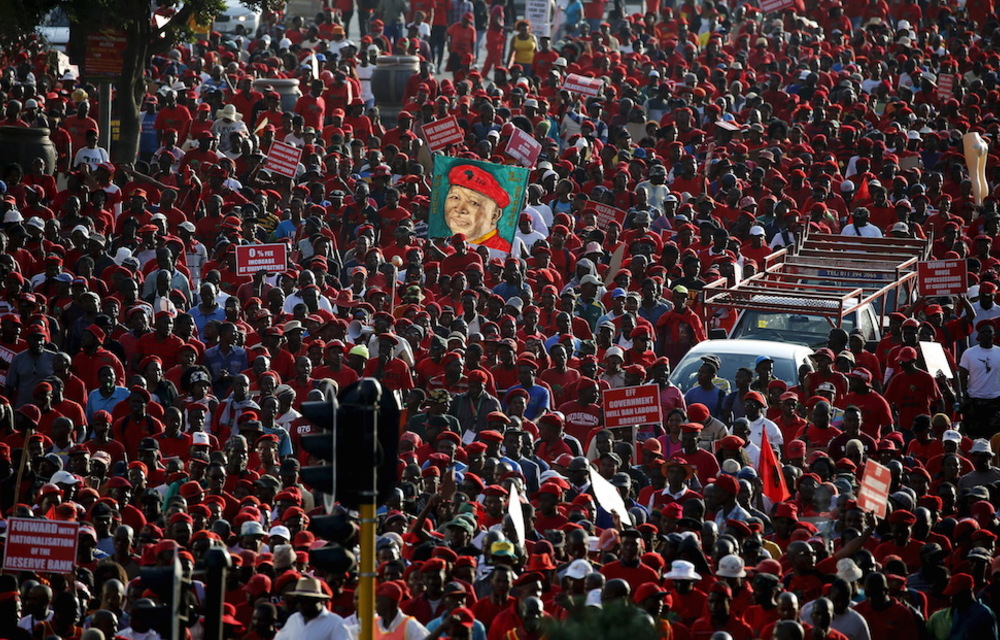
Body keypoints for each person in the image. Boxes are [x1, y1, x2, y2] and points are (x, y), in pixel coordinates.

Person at [442, 164, 512, 252]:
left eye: (473, 203)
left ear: (494, 216)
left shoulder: (502, 250)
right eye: (455, 197)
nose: (460, 209)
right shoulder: (442, 243)